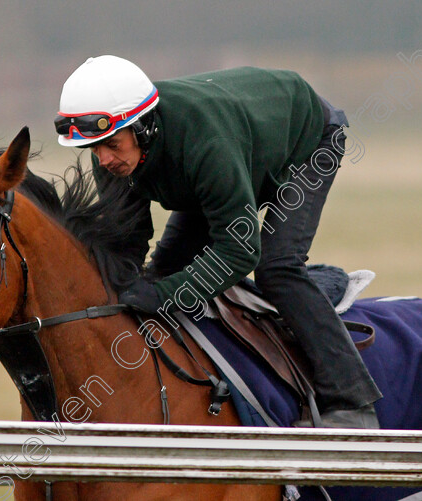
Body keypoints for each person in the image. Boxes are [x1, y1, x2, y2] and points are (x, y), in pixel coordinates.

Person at [53, 55, 382, 429]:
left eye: (112, 144)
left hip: (306, 143)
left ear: (143, 128)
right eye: (94, 149)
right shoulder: (114, 156)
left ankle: (354, 403)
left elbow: (240, 250)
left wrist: (163, 295)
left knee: (277, 268)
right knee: (163, 273)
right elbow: (129, 238)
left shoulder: (206, 144)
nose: (105, 159)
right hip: (230, 155)